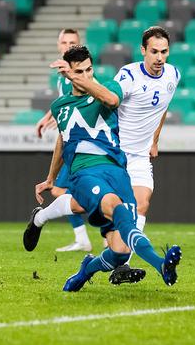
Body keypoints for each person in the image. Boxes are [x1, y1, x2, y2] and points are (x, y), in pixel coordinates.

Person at [24, 45, 182, 291]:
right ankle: (160, 264)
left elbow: (112, 99)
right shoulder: (60, 106)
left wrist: (155, 138)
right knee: (112, 205)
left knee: (120, 251)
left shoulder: (105, 89)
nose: (85, 76)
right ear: (67, 75)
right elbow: (63, 139)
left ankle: (86, 269)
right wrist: (51, 178)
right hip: (85, 171)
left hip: (117, 168)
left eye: (89, 70)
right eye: (79, 71)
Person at [108, 26, 180, 284]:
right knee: (105, 208)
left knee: (142, 203)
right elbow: (108, 105)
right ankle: (41, 218)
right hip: (116, 153)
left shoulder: (173, 74)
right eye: (154, 52)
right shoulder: (128, 76)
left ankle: (120, 265)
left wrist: (154, 141)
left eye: (164, 51)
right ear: (143, 51)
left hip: (139, 156)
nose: (159, 57)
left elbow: (162, 108)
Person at [35, 29, 92, 253]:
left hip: (83, 145)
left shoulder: (80, 75)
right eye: (65, 42)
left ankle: (105, 226)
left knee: (61, 190)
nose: (68, 46)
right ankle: (92, 234)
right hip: (72, 143)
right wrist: (47, 117)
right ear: (58, 46)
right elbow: (64, 102)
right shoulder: (63, 79)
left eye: (73, 43)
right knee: (61, 190)